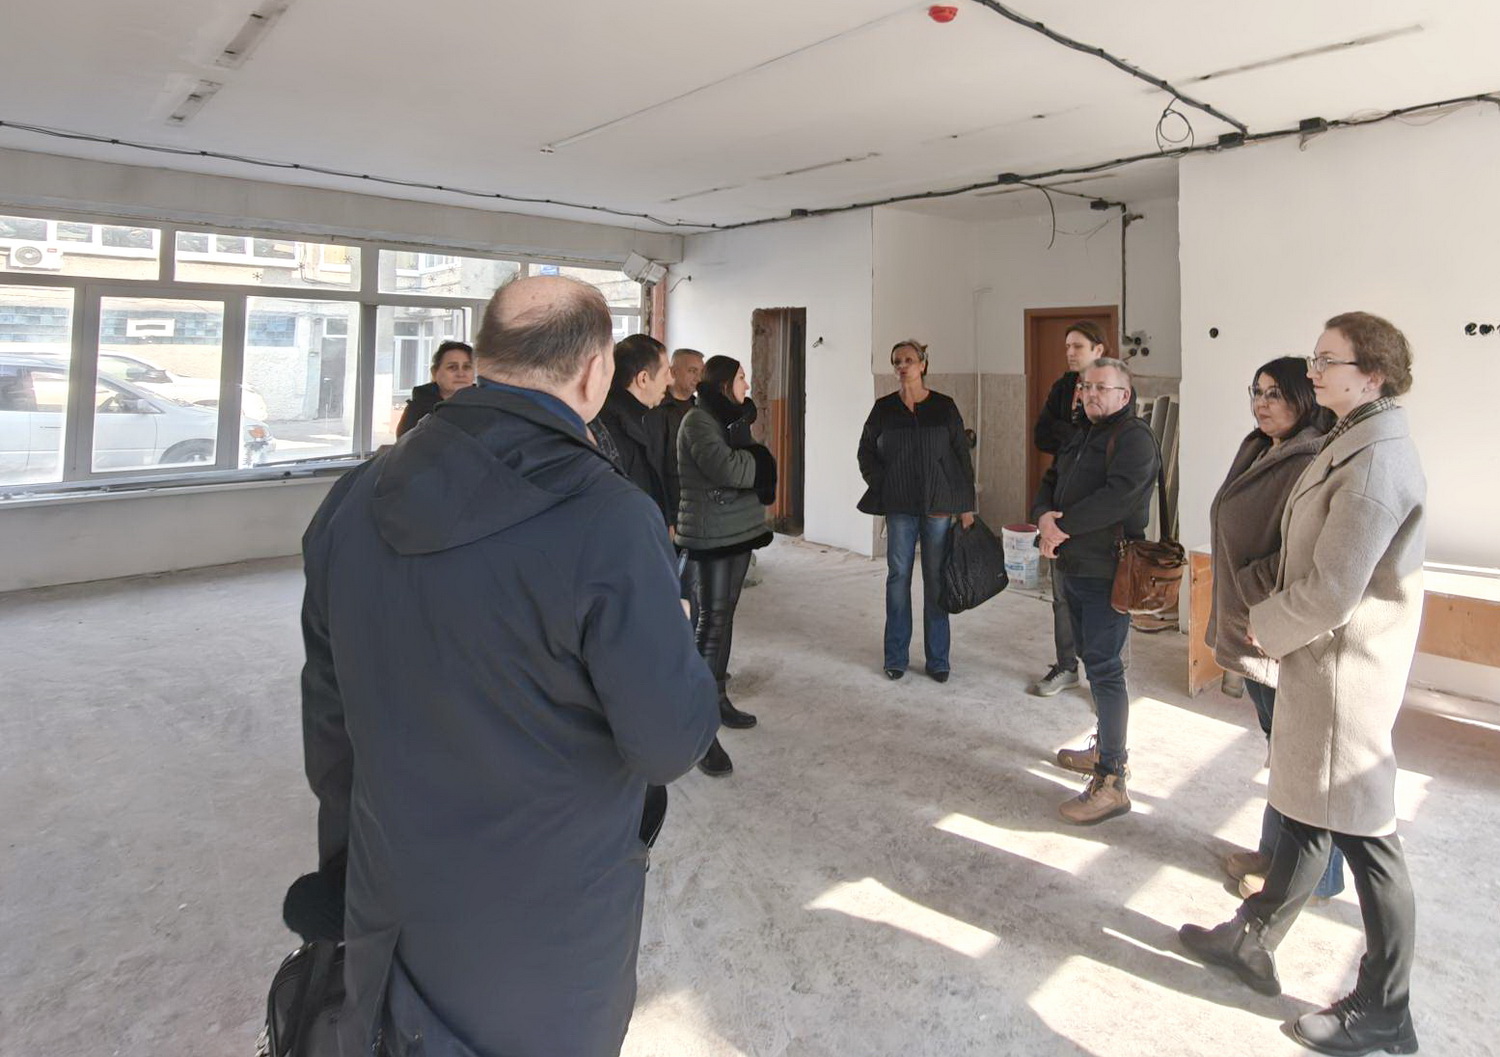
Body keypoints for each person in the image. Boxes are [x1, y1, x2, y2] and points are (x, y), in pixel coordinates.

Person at [299, 275, 720, 1057]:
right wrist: (681, 637)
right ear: (595, 372)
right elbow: (667, 742)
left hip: (388, 898)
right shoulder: (609, 518)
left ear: (486, 359)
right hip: (544, 935)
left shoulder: (354, 495)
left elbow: (329, 724)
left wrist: (348, 867)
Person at [1179, 312, 1425, 1057]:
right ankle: (1250, 938)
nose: (1312, 372)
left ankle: (1386, 1009)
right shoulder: (1354, 438)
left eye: (1327, 360)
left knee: (1367, 839)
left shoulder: (1374, 463)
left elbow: (1334, 588)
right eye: (1314, 360)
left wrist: (1266, 622)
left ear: (1371, 375)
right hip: (1321, 662)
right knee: (1305, 815)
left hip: (1344, 667)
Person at [1205, 356, 1345, 904]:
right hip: (1251, 620)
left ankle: (1315, 876)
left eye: (1275, 393)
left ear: (1303, 398)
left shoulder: (1310, 458)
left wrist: (1251, 588)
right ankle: (1273, 852)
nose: (1261, 403)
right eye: (1257, 391)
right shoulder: (1261, 446)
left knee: (1300, 757)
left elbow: (1304, 550)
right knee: (1279, 748)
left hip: (1274, 624)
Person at [1032, 356, 1159, 825]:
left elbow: (1118, 498)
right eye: (1086, 387)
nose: (1090, 394)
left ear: (1124, 395)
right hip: (1073, 565)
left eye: (1101, 388)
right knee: (1089, 657)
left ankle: (1112, 780)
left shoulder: (1134, 438)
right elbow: (1049, 480)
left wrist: (1059, 528)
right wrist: (1043, 517)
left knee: (1105, 668)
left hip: (1108, 568)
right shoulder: (1081, 432)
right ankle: (1104, 748)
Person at [677, 354, 776, 777]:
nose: (746, 386)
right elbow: (728, 468)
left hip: (736, 531)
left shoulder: (729, 420)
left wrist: (754, 461)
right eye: (740, 378)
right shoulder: (699, 421)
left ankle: (717, 699)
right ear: (723, 384)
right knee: (711, 625)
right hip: (712, 535)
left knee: (725, 618)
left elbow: (739, 463)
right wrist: (764, 462)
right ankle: (700, 728)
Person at [856, 340, 976, 683]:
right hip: (899, 506)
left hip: (938, 505)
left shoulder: (943, 406)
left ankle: (938, 659)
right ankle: (896, 657)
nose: (902, 366)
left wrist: (966, 506)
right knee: (898, 577)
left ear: (923, 364)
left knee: (936, 578)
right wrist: (883, 483)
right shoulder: (884, 408)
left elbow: (961, 456)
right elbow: (865, 452)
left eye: (909, 360)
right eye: (897, 361)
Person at [1029, 321, 1108, 697]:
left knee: (1101, 599)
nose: (1070, 353)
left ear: (1098, 349)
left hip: (1098, 506)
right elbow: (1041, 434)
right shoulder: (1063, 387)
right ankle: (1066, 666)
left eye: (1078, 346)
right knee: (1061, 592)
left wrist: (1070, 435)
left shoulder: (1113, 386)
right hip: (1062, 494)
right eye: (1067, 347)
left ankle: (1105, 679)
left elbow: (1107, 440)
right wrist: (1075, 435)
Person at [596, 334, 673, 521]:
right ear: (643, 379)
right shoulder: (609, 427)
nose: (670, 380)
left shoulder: (646, 417)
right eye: (665, 373)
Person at [394, 340, 474, 437]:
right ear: (434, 372)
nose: (461, 374)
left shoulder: (484, 405)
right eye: (452, 367)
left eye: (467, 367)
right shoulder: (418, 410)